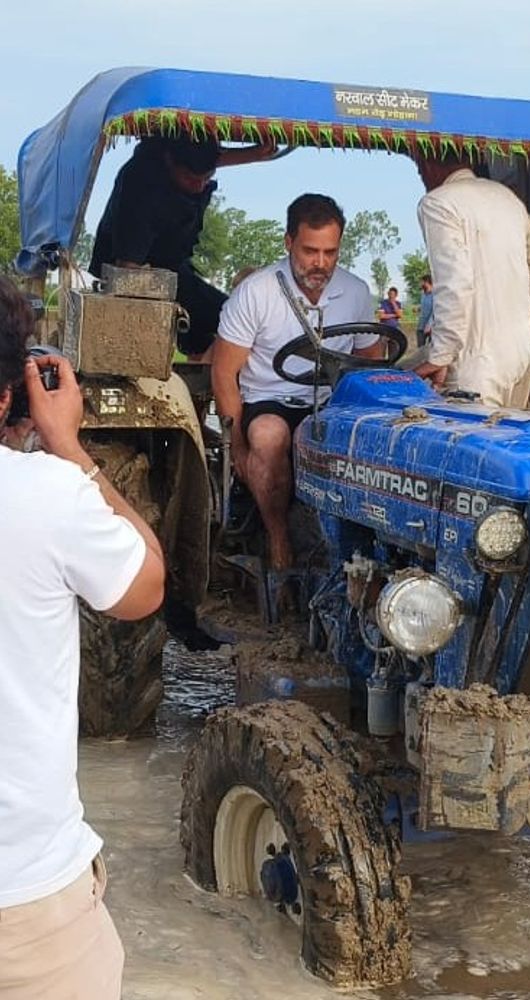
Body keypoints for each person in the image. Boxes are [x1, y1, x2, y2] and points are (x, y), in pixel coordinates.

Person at [0, 277, 165, 998]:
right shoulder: (45, 495)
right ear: (10, 393)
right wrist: (69, 445)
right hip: (26, 901)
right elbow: (147, 586)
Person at [212, 194, 385, 570]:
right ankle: (278, 541)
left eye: (330, 252)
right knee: (270, 437)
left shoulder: (355, 292)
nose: (320, 263)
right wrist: (237, 447)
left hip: (330, 403)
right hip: (271, 398)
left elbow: (372, 364)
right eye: (310, 251)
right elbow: (224, 372)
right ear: (288, 241)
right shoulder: (256, 292)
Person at [89, 135, 274, 359]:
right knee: (232, 318)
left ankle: (201, 368)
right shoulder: (141, 188)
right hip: (133, 279)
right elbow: (127, 270)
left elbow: (210, 160)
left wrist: (253, 154)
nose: (198, 186)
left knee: (234, 316)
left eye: (206, 178)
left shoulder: (181, 156)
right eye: (190, 178)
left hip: (175, 270)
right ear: (169, 161)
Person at [411, 152, 530, 407]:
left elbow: (454, 283)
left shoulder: (437, 203)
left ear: (426, 165)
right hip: (520, 354)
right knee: (509, 440)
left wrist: (441, 355)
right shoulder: (508, 199)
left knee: (467, 441)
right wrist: (506, 302)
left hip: (475, 363)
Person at [415, 273, 434, 346]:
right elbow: (425, 307)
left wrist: (429, 325)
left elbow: (434, 311)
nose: (420, 284)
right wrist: (418, 309)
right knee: (420, 349)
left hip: (431, 327)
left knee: (431, 350)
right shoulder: (423, 294)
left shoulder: (435, 295)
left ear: (427, 282)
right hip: (421, 325)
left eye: (422, 282)